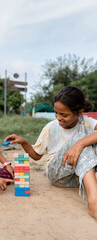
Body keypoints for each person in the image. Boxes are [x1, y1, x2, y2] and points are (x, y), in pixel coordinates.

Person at [5, 86, 97, 219]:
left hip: (78, 178)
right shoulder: (51, 127)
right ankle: (94, 202)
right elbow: (36, 156)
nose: (59, 118)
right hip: (58, 174)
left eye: (64, 115)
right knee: (81, 138)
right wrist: (24, 142)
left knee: (85, 140)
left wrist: (80, 144)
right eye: (56, 113)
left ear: (79, 112)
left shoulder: (87, 123)